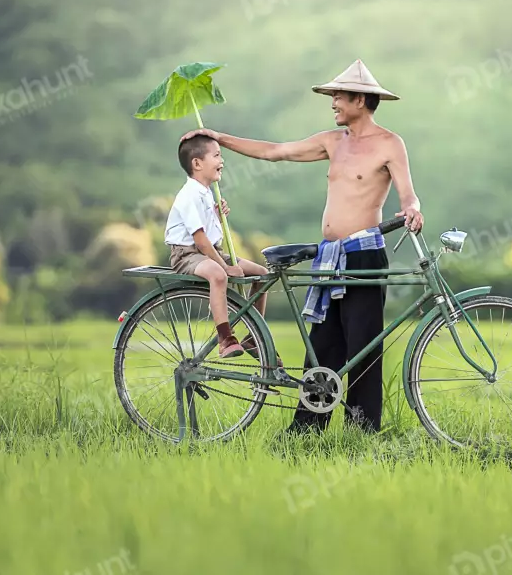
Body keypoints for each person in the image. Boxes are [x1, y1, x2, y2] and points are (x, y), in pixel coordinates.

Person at [181, 59, 424, 432]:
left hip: (364, 254)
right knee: (323, 343)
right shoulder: (331, 141)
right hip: (327, 256)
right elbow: (276, 151)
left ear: (360, 100)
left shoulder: (390, 144)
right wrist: (219, 138)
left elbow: (408, 195)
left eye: (338, 96)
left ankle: (361, 430)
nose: (333, 103)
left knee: (362, 345)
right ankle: (306, 430)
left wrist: (412, 210)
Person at [165, 134, 270, 359]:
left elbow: (210, 235)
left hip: (211, 251)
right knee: (219, 275)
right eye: (216, 155)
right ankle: (225, 338)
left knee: (262, 274)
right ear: (197, 163)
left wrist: (217, 215)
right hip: (187, 254)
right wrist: (225, 266)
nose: (222, 161)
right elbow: (200, 240)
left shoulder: (205, 192)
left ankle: (253, 337)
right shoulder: (189, 195)